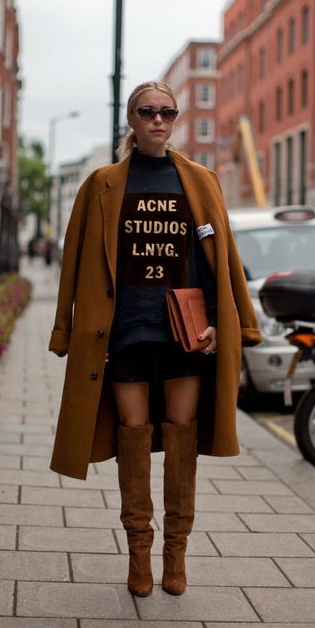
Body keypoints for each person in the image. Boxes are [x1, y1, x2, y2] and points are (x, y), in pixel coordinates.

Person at [49, 81, 261, 597]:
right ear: (132, 118)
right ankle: (138, 554)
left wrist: (223, 321)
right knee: (134, 437)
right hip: (123, 333)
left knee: (183, 438)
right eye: (148, 112)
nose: (158, 120)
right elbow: (74, 263)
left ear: (176, 118)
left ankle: (176, 555)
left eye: (167, 112)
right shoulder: (101, 184)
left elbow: (220, 262)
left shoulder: (201, 181)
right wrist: (66, 330)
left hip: (184, 335)